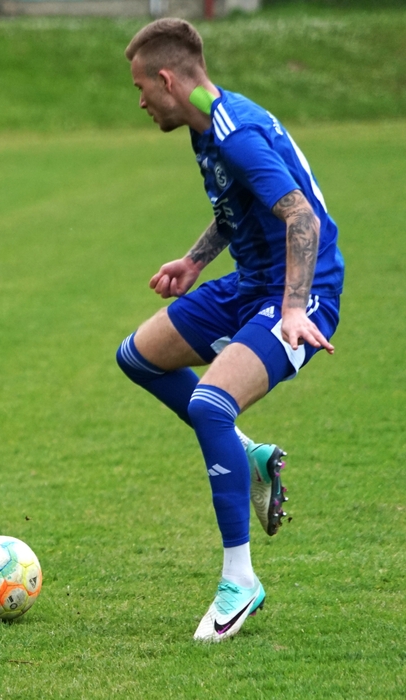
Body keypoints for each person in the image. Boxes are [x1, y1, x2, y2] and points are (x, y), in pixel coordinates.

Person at [117, 20, 342, 642]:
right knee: (138, 356)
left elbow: (302, 219)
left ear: (167, 80)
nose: (140, 101)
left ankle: (240, 580)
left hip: (301, 292)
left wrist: (294, 309)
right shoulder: (206, 121)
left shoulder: (235, 132)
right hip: (251, 282)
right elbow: (238, 205)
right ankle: (249, 457)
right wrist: (195, 261)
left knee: (211, 404)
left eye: (140, 87)